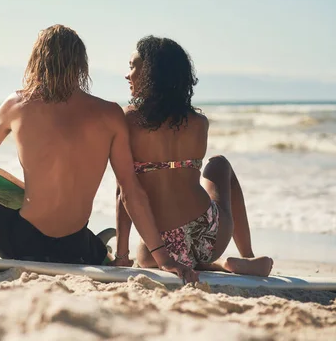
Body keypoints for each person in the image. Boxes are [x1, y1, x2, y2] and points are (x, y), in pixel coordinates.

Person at [0, 25, 198, 282]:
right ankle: (97, 251)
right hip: (74, 247)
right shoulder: (110, 114)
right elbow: (130, 191)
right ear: (82, 65)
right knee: (82, 238)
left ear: (37, 61)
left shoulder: (16, 105)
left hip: (25, 243)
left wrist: (15, 194)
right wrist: (164, 258)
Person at [114, 35, 273, 277]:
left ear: (151, 73)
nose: (128, 74)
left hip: (160, 246)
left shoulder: (127, 120)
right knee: (219, 164)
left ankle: (214, 264)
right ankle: (243, 256)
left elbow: (123, 193)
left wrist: (122, 255)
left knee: (145, 254)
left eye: (133, 66)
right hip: (211, 235)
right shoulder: (199, 123)